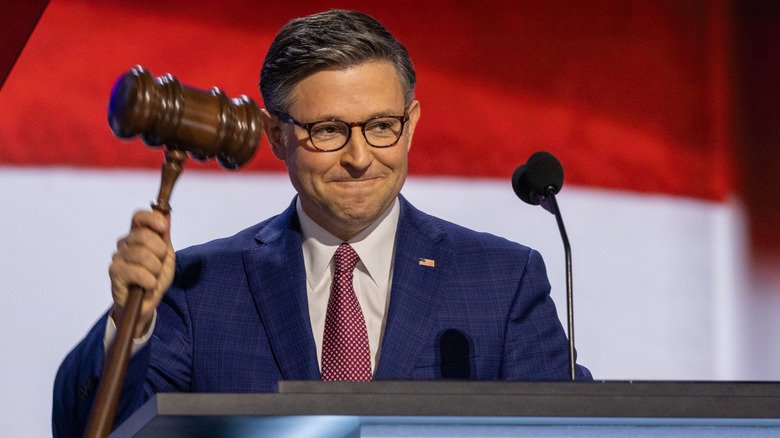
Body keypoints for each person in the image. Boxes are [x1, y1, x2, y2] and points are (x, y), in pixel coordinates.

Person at [53, 9, 591, 437]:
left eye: (381, 125)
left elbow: (578, 431)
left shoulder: (502, 281)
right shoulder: (198, 289)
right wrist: (129, 323)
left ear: (411, 125)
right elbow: (89, 429)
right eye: (329, 130)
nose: (359, 157)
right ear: (276, 135)